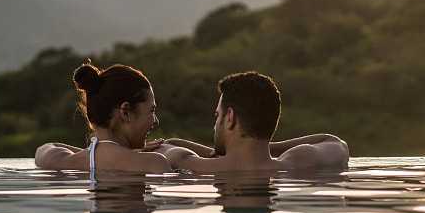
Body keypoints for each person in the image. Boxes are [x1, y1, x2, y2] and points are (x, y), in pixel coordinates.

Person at [154, 71, 348, 173]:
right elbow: (335, 143)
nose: (215, 125)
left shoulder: (192, 164)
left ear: (230, 118)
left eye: (217, 116)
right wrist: (260, 143)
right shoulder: (297, 162)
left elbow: (163, 148)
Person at [34, 61, 170, 176]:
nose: (155, 120)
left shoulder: (64, 162)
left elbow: (43, 149)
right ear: (125, 112)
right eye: (151, 110)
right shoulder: (153, 163)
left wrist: (95, 152)